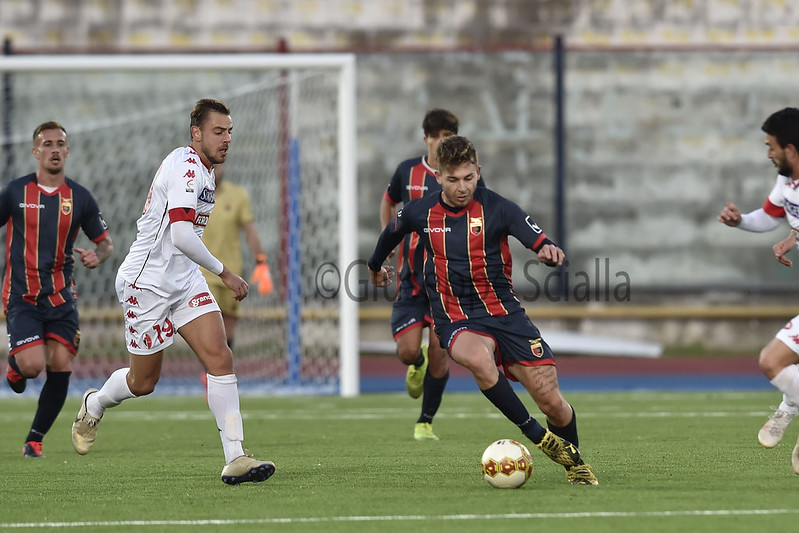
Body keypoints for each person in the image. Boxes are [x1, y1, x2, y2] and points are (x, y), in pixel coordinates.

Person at [368, 135, 598, 485]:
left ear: (478, 172)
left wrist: (548, 250)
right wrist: (374, 267)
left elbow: (536, 236)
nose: (462, 187)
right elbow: (390, 232)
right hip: (456, 317)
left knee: (553, 403)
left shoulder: (498, 208)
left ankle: (575, 464)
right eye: (453, 179)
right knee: (477, 359)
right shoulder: (421, 212)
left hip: (506, 315)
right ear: (440, 178)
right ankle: (539, 436)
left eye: (468, 178)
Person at [71, 98, 275, 485]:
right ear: (196, 133)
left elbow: (183, 240)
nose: (227, 138)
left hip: (184, 281)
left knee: (220, 356)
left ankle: (236, 458)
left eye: (230, 131)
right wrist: (226, 273)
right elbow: (181, 235)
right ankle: (93, 402)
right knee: (143, 382)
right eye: (218, 131)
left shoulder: (206, 171)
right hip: (145, 284)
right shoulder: (185, 167)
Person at [2, 121, 113, 458]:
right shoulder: (15, 193)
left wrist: (99, 255)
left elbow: (106, 242)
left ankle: (35, 439)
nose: (53, 149)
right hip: (22, 296)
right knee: (33, 366)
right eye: (46, 143)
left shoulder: (80, 197)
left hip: (62, 296)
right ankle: (16, 365)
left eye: (59, 143)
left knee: (61, 363)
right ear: (35, 151)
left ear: (67, 151)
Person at [379, 109, 476, 441]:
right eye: (435, 136)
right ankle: (414, 361)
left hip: (447, 281)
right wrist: (387, 238)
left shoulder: (465, 179)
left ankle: (425, 422)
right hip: (411, 277)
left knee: (441, 354)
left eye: (447, 136)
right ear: (427, 139)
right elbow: (388, 201)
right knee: (408, 351)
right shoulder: (407, 171)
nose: (440, 141)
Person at [718, 106, 799, 474]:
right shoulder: (787, 182)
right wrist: (740, 222)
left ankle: (790, 406)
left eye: (771, 146)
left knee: (771, 361)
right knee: (780, 363)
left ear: (791, 149)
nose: (768, 154)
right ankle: (789, 406)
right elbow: (769, 216)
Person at [200, 162, 272, 350]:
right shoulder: (193, 195)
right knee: (210, 324)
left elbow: (250, 231)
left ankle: (223, 372)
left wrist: (261, 262)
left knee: (228, 328)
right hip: (203, 273)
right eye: (212, 167)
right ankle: (211, 373)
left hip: (231, 272)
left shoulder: (238, 196)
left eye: (220, 166)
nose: (216, 170)